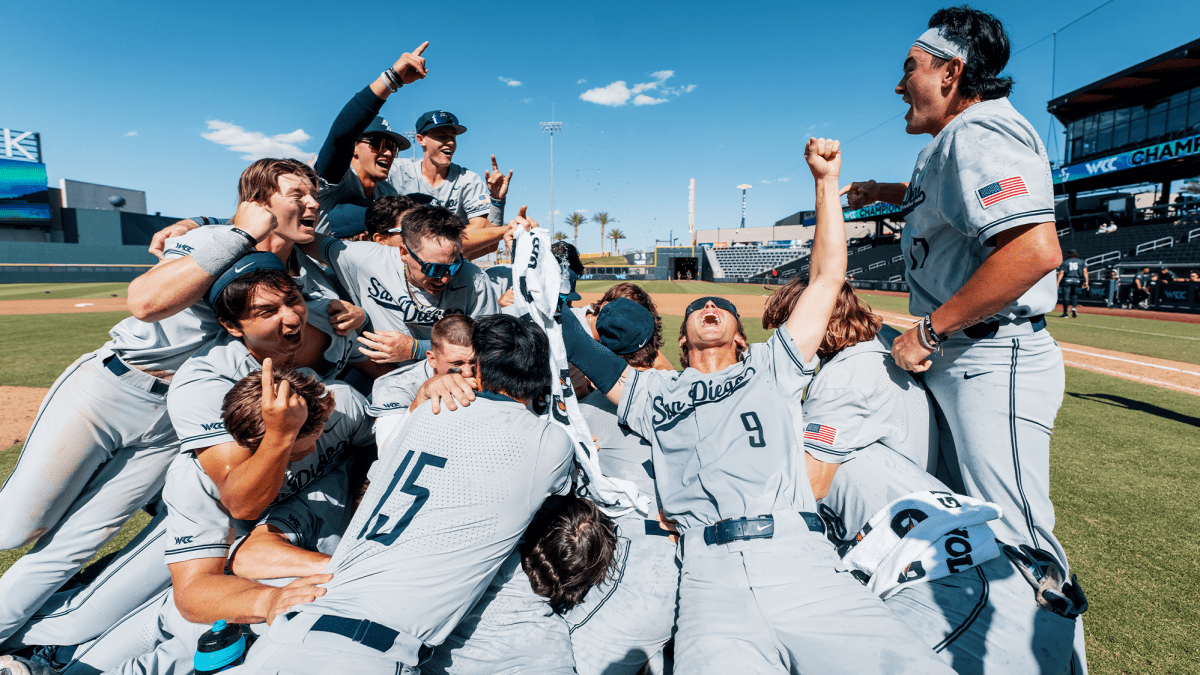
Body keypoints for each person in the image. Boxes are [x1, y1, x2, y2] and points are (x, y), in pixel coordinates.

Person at [561, 138, 956, 674]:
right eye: (698, 306)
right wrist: (550, 297)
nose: (706, 305)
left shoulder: (772, 366)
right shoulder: (655, 392)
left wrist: (824, 184)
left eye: (720, 306)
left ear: (741, 338)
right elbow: (589, 355)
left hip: (800, 561)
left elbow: (826, 278)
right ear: (682, 340)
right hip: (707, 579)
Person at [0, 160, 354, 647]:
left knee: (78, 543)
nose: (312, 203)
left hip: (178, 417)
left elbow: (304, 348)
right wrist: (237, 234)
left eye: (314, 194)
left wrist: (340, 320)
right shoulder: (215, 239)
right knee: (15, 525)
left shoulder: (304, 278)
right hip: (113, 387)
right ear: (259, 202)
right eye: (297, 193)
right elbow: (145, 302)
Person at [841, 6, 1074, 570]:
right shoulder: (951, 140)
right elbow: (949, 194)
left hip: (990, 354)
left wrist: (929, 330)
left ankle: (1044, 652)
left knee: (1018, 541)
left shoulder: (978, 129)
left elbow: (1034, 251)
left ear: (951, 72)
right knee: (965, 524)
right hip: (968, 354)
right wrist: (884, 189)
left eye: (911, 69)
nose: (900, 86)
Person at [233, 315, 578, 674]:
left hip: (289, 632)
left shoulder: (427, 412)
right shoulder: (548, 441)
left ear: (475, 368)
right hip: (368, 652)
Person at [167, 257, 366, 523]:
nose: (293, 317)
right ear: (232, 326)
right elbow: (241, 503)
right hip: (224, 514)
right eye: (267, 312)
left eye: (293, 299)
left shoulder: (327, 318)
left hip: (316, 477)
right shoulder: (206, 384)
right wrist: (281, 435)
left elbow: (373, 365)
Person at [566, 297, 680, 675]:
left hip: (634, 562)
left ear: (601, 345)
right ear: (654, 339)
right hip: (698, 556)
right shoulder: (685, 390)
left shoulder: (584, 414)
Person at [760, 280, 940, 475]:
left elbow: (813, 480)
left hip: (897, 494)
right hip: (921, 471)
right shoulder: (883, 335)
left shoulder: (840, 382)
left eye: (790, 326)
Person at [300, 200, 500, 367]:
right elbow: (303, 239)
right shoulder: (365, 258)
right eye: (433, 269)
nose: (445, 278)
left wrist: (415, 349)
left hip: (453, 375)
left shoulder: (475, 281)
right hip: (382, 374)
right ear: (404, 253)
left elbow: (493, 346)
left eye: (454, 266)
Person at [311, 44, 426, 239]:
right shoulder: (336, 176)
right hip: (319, 267)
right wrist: (392, 79)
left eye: (392, 147)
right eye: (377, 144)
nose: (388, 153)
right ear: (354, 147)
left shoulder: (386, 191)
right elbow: (341, 136)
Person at [388, 110, 514, 259]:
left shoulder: (469, 180)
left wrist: (497, 201)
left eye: (453, 137)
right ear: (420, 139)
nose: (450, 142)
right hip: (402, 261)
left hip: (450, 267)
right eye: (442, 136)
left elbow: (483, 236)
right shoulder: (397, 171)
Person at [368, 314, 476, 451]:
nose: (468, 373)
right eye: (457, 364)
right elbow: (386, 452)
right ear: (432, 359)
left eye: (473, 362)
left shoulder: (486, 368)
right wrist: (421, 397)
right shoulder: (394, 387)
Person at [1057, 249, 1088, 318]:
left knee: (1066, 296)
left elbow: (1061, 273)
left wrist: (1058, 282)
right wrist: (1087, 281)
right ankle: (1074, 307)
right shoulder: (1081, 262)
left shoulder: (1065, 262)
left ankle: (1065, 313)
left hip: (1067, 280)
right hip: (1077, 280)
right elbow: (1085, 272)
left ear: (1069, 254)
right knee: (1074, 295)